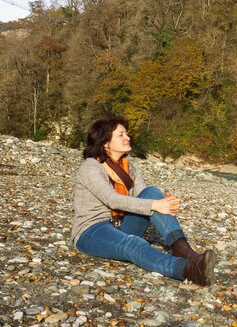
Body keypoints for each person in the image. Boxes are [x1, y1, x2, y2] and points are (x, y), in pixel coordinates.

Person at [71, 116, 215, 285]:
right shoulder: (91, 166)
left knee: (152, 192)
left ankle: (183, 250)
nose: (128, 137)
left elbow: (145, 197)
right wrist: (156, 205)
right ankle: (187, 270)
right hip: (92, 230)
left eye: (126, 133)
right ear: (105, 142)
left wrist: (164, 204)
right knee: (134, 243)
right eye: (121, 135)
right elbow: (112, 200)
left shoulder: (131, 168)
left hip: (121, 225)